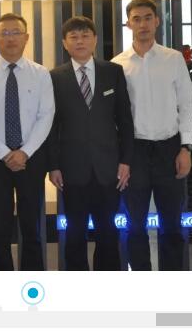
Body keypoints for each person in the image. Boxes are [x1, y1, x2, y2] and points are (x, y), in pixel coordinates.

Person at [112, 0, 192, 271]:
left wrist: (186, 147)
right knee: (135, 225)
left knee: (172, 224)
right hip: (134, 152)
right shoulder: (117, 64)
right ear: (128, 24)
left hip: (169, 149)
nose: (143, 24)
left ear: (157, 21)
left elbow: (187, 105)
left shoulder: (173, 59)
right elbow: (115, 115)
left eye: (148, 18)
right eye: (136, 19)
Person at [48, 16, 134, 270]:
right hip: (71, 170)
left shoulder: (113, 72)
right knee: (74, 233)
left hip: (108, 168)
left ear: (95, 40)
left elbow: (125, 120)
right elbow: (51, 125)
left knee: (108, 231)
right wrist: (53, 165)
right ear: (65, 43)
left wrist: (126, 161)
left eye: (85, 35)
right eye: (73, 37)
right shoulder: (54, 77)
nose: (80, 41)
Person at [0, 13, 55, 270]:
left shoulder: (41, 74)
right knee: (0, 226)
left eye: (16, 32)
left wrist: (25, 152)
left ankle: (32, 281)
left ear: (26, 37)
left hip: (32, 158)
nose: (10, 38)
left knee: (31, 226)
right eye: (4, 33)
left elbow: (46, 115)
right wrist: (4, 152)